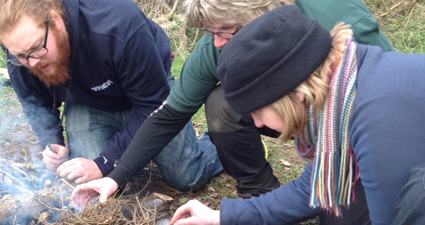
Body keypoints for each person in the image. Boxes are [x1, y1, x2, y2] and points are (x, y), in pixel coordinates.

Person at [70, 0, 394, 206]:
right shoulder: (216, 48)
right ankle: (259, 192)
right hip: (288, 117)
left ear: (259, 12)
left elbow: (386, 88)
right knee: (223, 102)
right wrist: (116, 175)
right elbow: (170, 114)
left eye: (225, 31)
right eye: (212, 33)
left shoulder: (330, 13)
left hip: (355, 113)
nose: (218, 43)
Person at [169, 5, 425, 225]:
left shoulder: (377, 119)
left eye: (258, 111)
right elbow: (314, 188)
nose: (256, 123)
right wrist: (223, 217)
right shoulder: (344, 90)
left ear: (295, 93)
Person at [0, 0, 222, 191]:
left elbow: (150, 104)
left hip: (148, 96)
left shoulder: (117, 24)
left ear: (56, 21)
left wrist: (104, 163)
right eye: (21, 56)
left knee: (187, 178)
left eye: (36, 49)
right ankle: (130, 153)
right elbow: (35, 102)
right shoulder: (22, 53)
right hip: (87, 101)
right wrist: (52, 143)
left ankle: (217, 141)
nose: (32, 63)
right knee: (89, 183)